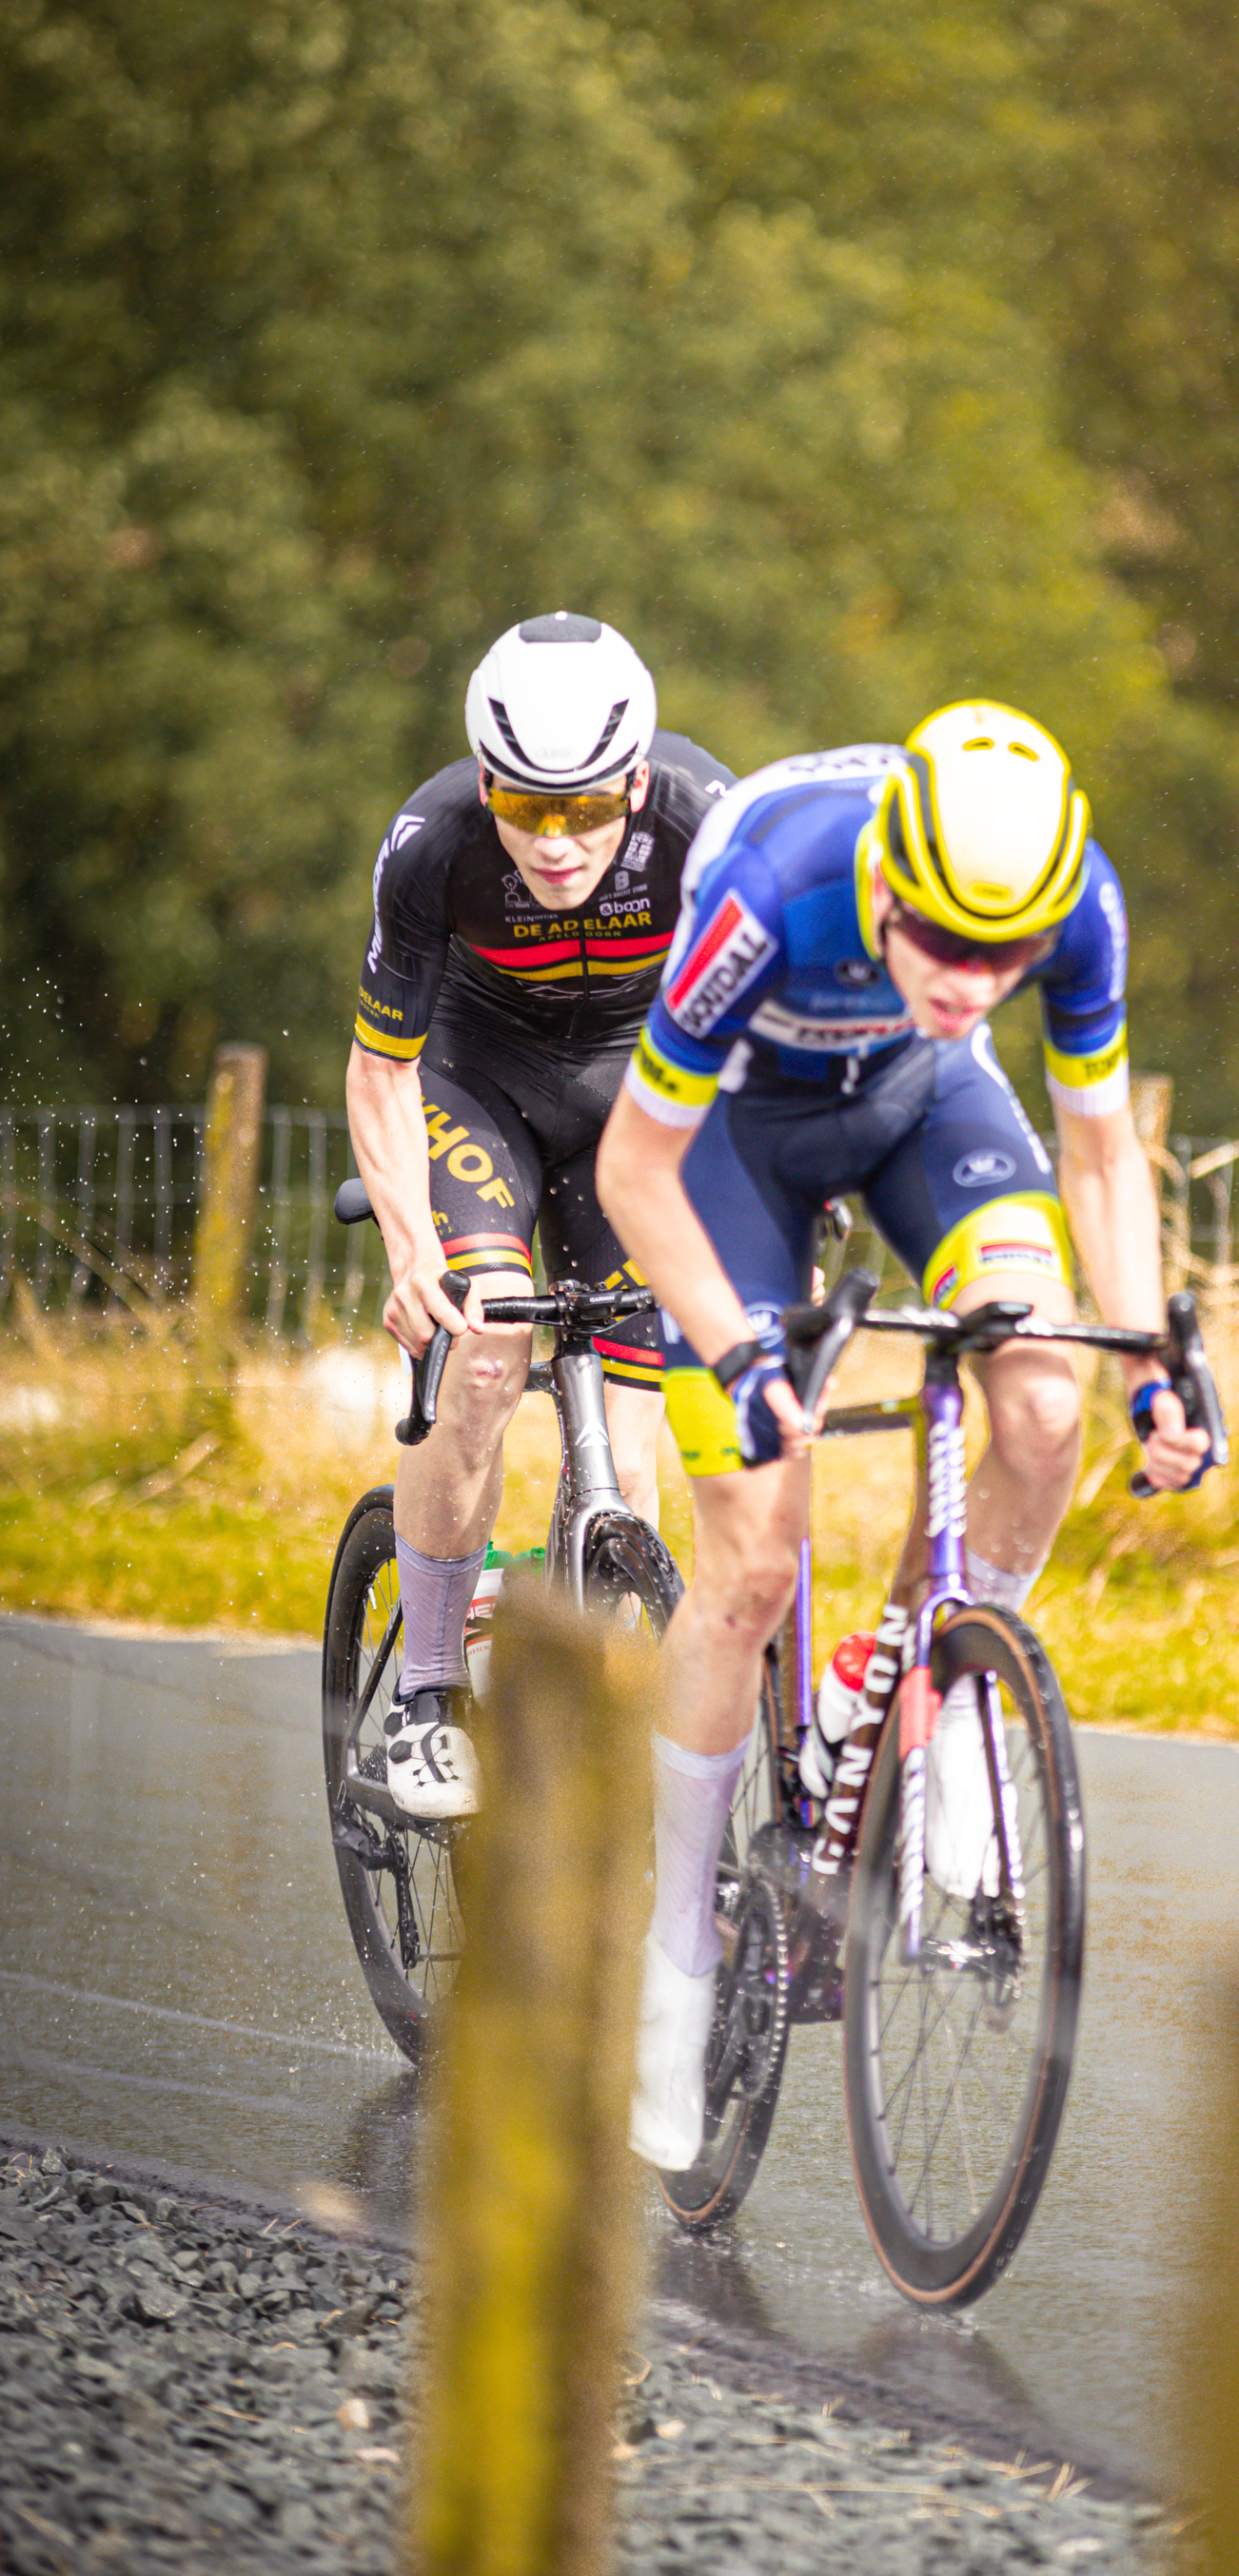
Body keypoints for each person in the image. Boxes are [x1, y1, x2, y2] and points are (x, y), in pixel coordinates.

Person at [594, 702, 1210, 2170]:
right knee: (750, 1566)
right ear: (886, 880)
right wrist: (740, 1346)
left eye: (1005, 958)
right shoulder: (777, 888)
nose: (971, 977)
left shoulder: (1078, 907)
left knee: (1049, 1401)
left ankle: (949, 1700)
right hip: (735, 1150)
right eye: (941, 942)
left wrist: (1153, 1365)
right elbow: (635, 1164)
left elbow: (1104, 1149)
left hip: (924, 1115)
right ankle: (676, 1947)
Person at [345, 611, 730, 1820]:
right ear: (484, 781)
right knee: (486, 1350)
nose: (553, 842)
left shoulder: (708, 824)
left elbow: (761, 1038)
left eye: (585, 809)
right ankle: (422, 1691)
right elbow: (381, 1071)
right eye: (523, 805)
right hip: (479, 1079)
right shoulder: (432, 842)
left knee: (637, 1419)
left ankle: (588, 1640)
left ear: (636, 777)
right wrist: (413, 1249)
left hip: (635, 1096)